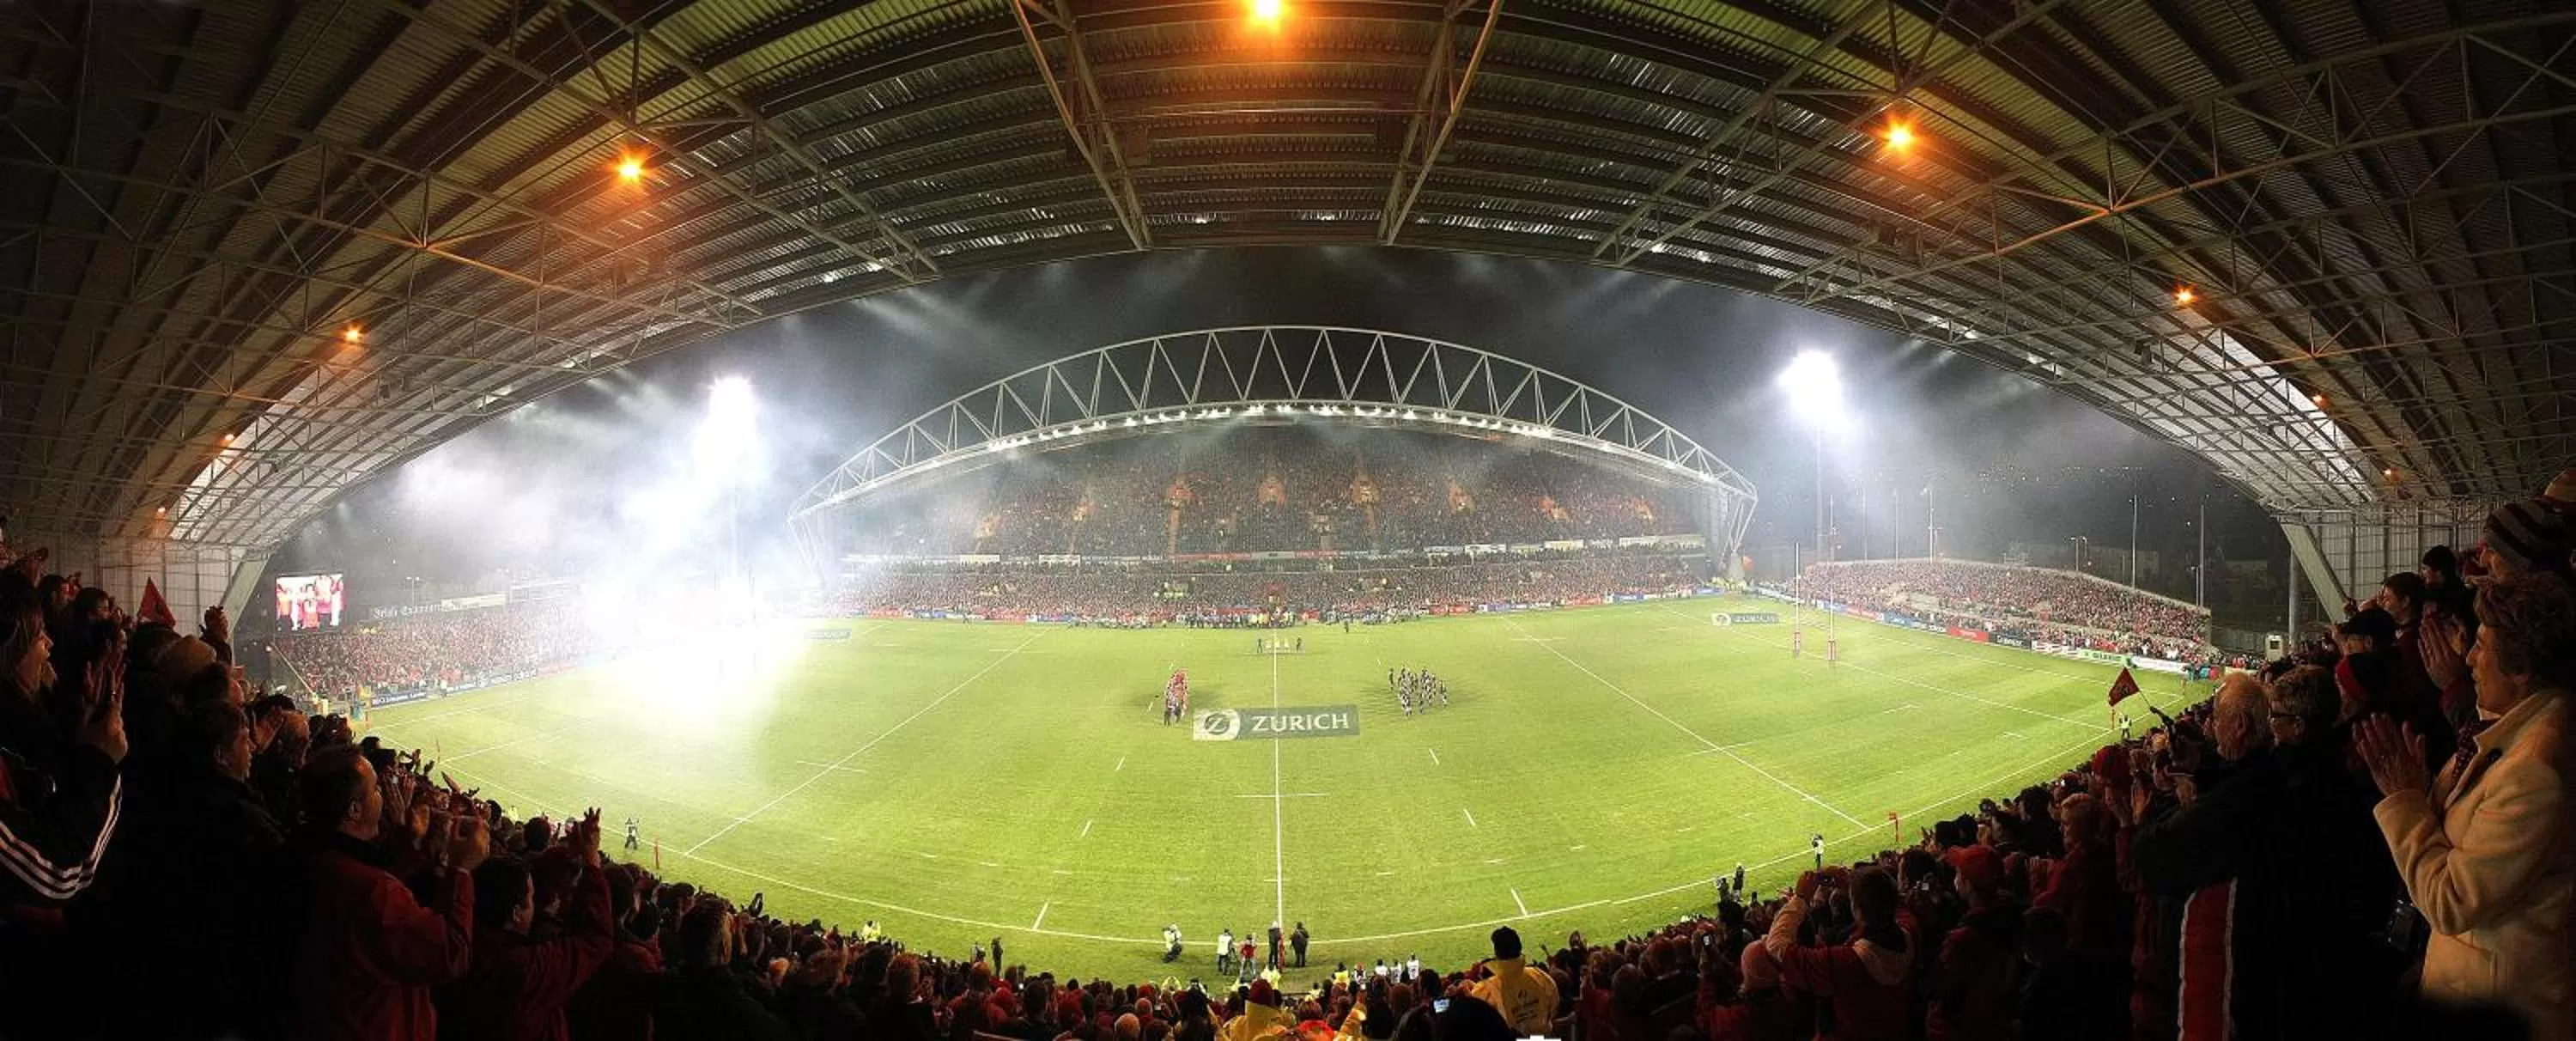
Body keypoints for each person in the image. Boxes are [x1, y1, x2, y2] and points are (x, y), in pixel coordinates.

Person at [2358, 572, 2576, 1038]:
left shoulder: (2534, 772)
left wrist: (2404, 801)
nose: (2468, 659)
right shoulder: (2515, 731)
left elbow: (2451, 901)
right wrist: (2425, 792)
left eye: (2481, 647)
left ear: (2520, 668)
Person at [285, 744, 489, 1041]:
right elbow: (450, 954)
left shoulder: (309, 853)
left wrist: (409, 844)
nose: (384, 795)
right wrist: (461, 871)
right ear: (354, 809)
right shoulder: (366, 889)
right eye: (376, 789)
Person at [1468, 926, 1560, 1037]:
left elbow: (1475, 1025)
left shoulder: (1484, 991)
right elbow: (1554, 1008)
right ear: (1520, 949)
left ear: (1496, 954)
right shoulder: (1541, 977)